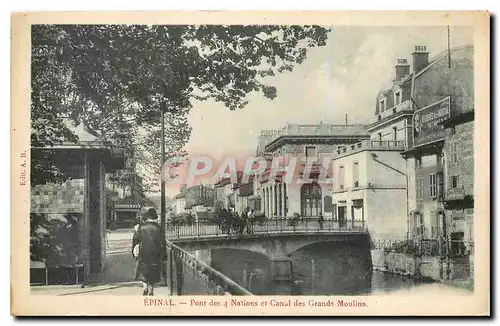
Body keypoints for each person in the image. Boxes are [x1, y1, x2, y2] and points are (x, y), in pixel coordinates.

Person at [132, 208, 165, 296]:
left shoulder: (141, 227)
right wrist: (164, 255)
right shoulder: (159, 228)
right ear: (155, 217)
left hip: (143, 252)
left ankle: (145, 288)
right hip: (155, 253)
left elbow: (136, 240)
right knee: (152, 273)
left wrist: (133, 252)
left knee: (143, 271)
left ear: (147, 217)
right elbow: (162, 242)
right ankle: (151, 291)